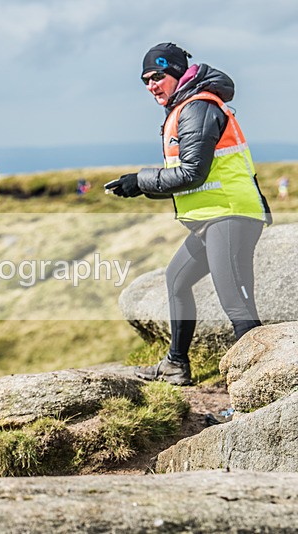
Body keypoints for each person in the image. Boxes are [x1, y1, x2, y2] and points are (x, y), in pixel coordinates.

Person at [106, 43, 270, 386]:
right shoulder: (184, 107)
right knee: (177, 280)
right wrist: (139, 185)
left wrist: (140, 181)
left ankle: (262, 386)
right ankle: (176, 365)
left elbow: (193, 172)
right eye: (145, 80)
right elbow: (187, 177)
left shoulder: (197, 107)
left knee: (236, 305)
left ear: (177, 73)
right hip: (212, 219)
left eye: (157, 76)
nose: (151, 85)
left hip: (230, 215)